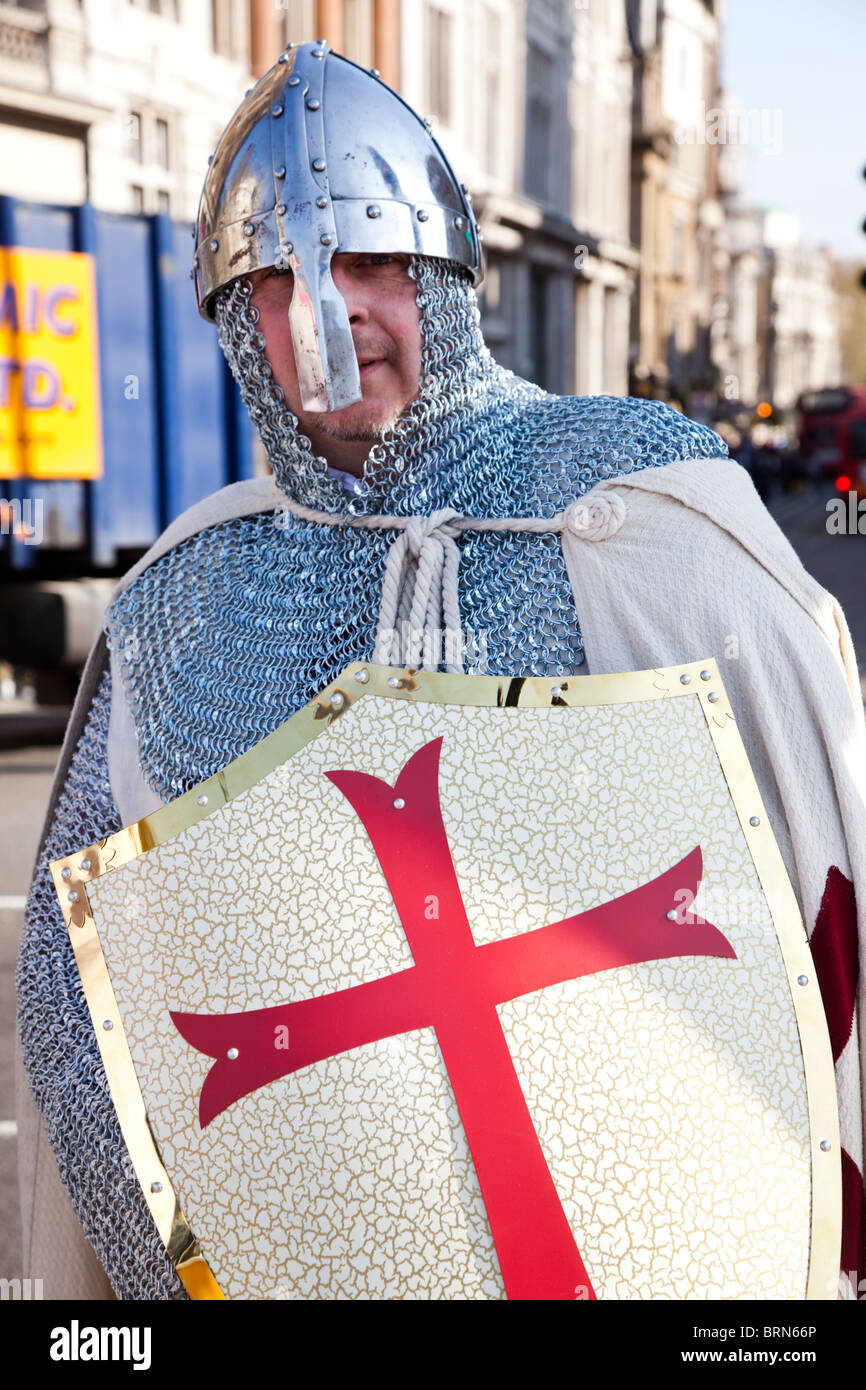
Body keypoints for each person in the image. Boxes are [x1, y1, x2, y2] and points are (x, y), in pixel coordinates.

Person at [16, 40, 866, 1300]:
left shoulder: (623, 512)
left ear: (445, 284)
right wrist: (179, 1280)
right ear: (233, 326)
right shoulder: (182, 608)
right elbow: (77, 994)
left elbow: (815, 849)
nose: (330, 309)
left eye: (370, 263)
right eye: (276, 279)